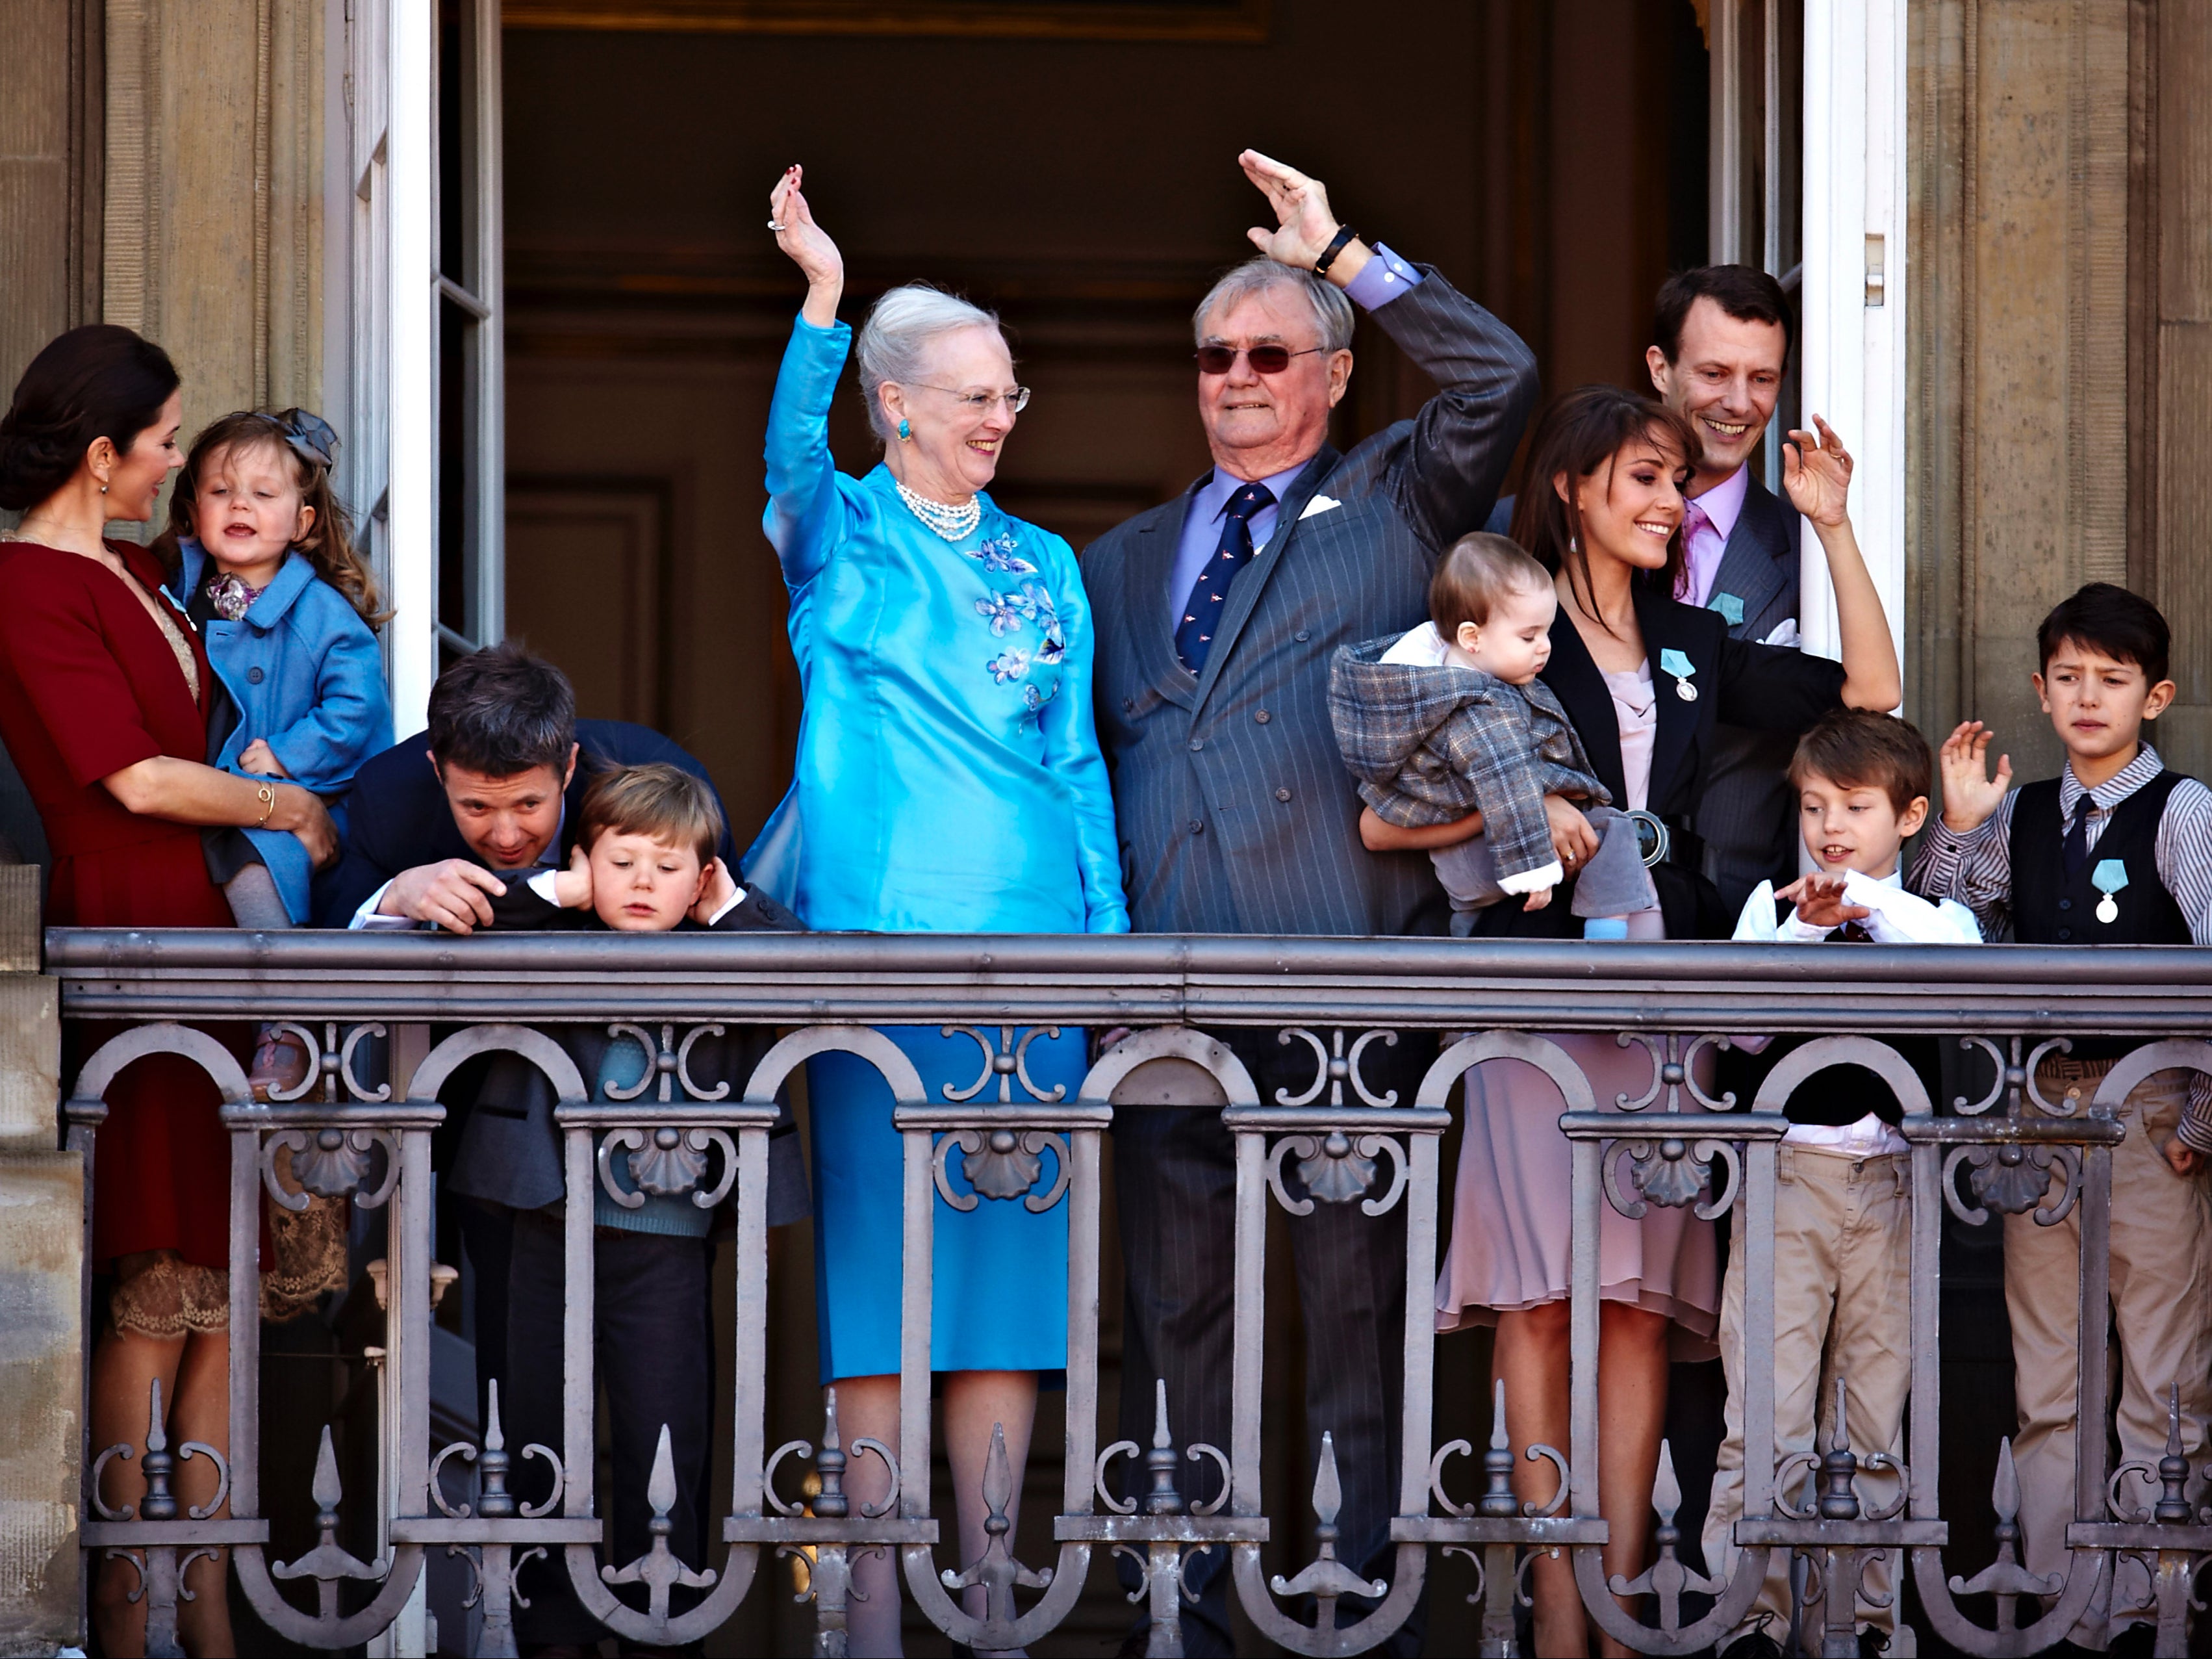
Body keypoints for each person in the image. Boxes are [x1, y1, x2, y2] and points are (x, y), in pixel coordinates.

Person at [1083, 149, 1538, 1653]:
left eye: (1268, 353)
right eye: (1214, 356)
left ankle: (1357, 1595)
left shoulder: (1393, 494)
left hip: (1344, 975)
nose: (1234, 379)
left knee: (1353, 1312)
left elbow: (1499, 371)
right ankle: (1185, 1599)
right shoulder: (1119, 558)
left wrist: (1343, 250)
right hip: (1165, 983)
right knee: (1181, 1318)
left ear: (1333, 375)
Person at [1392, 383, 1899, 1656]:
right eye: (1644, 479)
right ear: (1572, 487)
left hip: (1663, 979)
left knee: (1629, 1302)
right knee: (1538, 1297)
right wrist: (1522, 822)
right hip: (1533, 980)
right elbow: (1389, 808)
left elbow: (1874, 697)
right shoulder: (1497, 628)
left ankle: (1615, 1617)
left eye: (1677, 482)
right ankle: (1556, 1612)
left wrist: (1829, 526)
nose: (1672, 502)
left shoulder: (1694, 635)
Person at [752, 164, 1127, 1653]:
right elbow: (788, 453)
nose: (995, 418)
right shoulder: (832, 530)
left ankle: (987, 1594)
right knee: (880, 1282)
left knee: (1007, 1285)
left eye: (1008, 396)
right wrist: (823, 304)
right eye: (969, 395)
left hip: (1030, 962)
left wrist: (1102, 954)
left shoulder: (1045, 563)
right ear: (892, 402)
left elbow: (1078, 754)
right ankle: (874, 1609)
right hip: (873, 952)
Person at [0, 324, 338, 1658]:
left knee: (215, 1273)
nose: (177, 463)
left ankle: (207, 1619)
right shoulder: (26, 586)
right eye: (162, 442)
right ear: (102, 454)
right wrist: (288, 802)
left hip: (197, 922)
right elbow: (132, 779)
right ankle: (130, 1619)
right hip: (126, 912)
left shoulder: (141, 568)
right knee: (152, 1269)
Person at [318, 642, 778, 1511]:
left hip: (655, 1163)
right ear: (435, 769)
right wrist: (398, 897)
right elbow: (323, 937)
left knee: (665, 1418)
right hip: (488, 1147)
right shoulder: (387, 794)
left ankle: (659, 1628)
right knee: (522, 1411)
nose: (504, 833)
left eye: (529, 803)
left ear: (570, 766)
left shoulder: (651, 776)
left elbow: (736, 935)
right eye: (475, 806)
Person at [1914, 582, 2212, 1649]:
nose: (2090, 697)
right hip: (2038, 1113)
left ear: (2155, 695)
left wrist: (2202, 1121)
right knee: (2049, 1372)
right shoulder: (2020, 812)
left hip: (2151, 1108)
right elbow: (1942, 931)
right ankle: (2058, 1598)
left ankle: (2145, 1602)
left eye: (2114, 679)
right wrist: (1953, 827)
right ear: (2041, 691)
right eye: (2071, 678)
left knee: (2166, 1371)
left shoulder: (2183, 812)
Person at [464, 762, 802, 1650]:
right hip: (547, 1229)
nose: (643, 883)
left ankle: (664, 1629)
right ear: (586, 864)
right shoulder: (551, 924)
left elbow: (807, 969)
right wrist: (566, 886)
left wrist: (728, 908)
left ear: (703, 880)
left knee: (666, 1443)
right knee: (537, 1447)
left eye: (668, 865)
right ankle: (547, 1637)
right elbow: (475, 927)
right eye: (621, 862)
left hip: (669, 1244)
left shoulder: (727, 945)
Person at [1703, 711, 1978, 1659]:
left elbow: (1961, 964)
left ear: (1908, 818)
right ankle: (1752, 1615)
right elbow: (1737, 1031)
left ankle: (1864, 1622)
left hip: (1891, 1188)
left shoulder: (1928, 915)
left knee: (1872, 1412)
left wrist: (1863, 903)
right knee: (1767, 1411)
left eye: (1855, 808)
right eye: (1814, 806)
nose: (1829, 826)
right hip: (1788, 1179)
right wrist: (1801, 930)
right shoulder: (1766, 907)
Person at [1490, 266, 1803, 912]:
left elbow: (1865, 697)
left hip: (1736, 915)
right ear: (1660, 369)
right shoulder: (1513, 538)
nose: (1739, 404)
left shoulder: (1807, 551)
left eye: (1763, 379)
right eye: (1714, 374)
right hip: (1553, 914)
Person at [157, 406, 392, 1095]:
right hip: (204, 794)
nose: (241, 507)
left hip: (304, 802)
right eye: (222, 491)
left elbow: (358, 711)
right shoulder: (177, 593)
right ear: (193, 505)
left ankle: (287, 1021)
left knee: (256, 858)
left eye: (264, 495)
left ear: (303, 521)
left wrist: (288, 755)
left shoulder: (320, 612)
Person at [1329, 531, 1657, 926]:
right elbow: (1504, 779)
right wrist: (1535, 870)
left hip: (1464, 864)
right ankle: (1607, 947)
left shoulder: (1434, 685)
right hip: (1493, 855)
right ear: (1472, 637)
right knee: (1615, 833)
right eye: (1528, 636)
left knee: (1475, 924)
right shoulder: (1479, 708)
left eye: (1547, 632)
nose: (1545, 647)